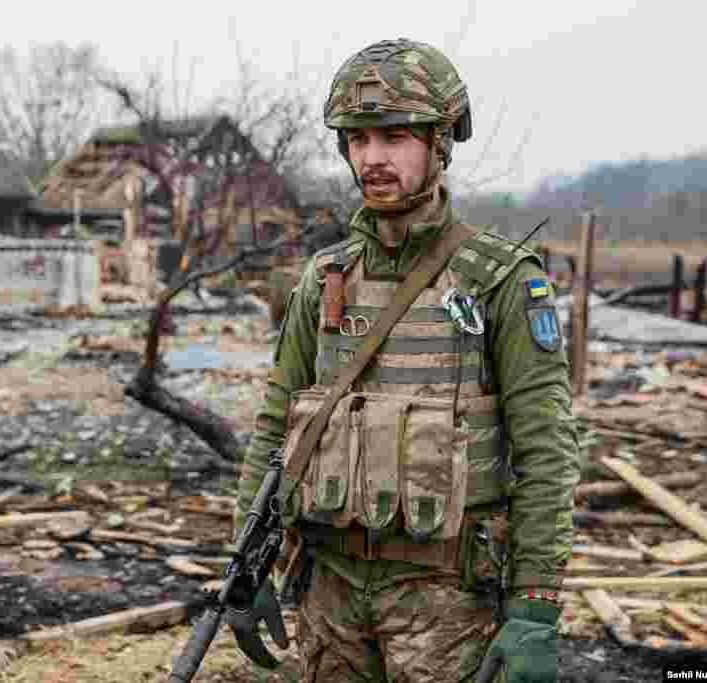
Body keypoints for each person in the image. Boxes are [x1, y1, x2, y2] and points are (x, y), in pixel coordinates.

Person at [232, 38, 579, 683]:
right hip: (328, 594)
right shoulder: (324, 278)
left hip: (445, 603)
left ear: (439, 142)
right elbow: (277, 425)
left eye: (393, 136)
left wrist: (535, 603)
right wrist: (247, 560)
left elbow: (546, 448)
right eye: (357, 139)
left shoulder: (500, 280)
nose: (372, 157)